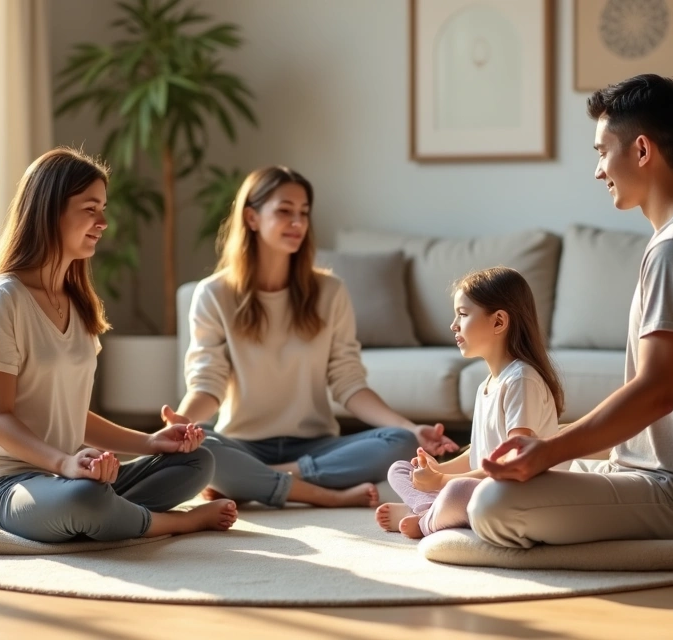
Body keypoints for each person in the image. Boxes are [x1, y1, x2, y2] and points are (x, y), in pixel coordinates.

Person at [467, 74, 673, 547]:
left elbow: (655, 393)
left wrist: (547, 453)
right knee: (487, 479)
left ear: (642, 151)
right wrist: (545, 450)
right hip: (646, 473)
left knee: (490, 504)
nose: (598, 171)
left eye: (603, 151)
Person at [0, 147, 237, 543]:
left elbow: (73, 414)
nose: (103, 222)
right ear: (51, 210)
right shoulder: (4, 299)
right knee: (83, 501)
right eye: (90, 209)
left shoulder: (78, 302)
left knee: (198, 460)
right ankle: (174, 523)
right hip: (5, 483)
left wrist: (150, 441)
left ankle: (110, 513)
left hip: (68, 474)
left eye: (103, 208)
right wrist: (64, 463)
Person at [168, 165, 459, 509]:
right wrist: (180, 427)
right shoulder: (213, 293)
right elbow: (207, 383)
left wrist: (411, 429)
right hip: (243, 441)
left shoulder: (330, 291)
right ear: (251, 217)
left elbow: (348, 382)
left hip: (316, 444)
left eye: (304, 213)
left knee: (401, 443)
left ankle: (257, 479)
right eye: (285, 211)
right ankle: (318, 493)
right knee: (205, 448)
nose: (298, 223)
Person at [375, 267, 565, 539]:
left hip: (517, 495)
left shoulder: (522, 380)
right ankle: (429, 509)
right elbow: (479, 454)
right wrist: (436, 470)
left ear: (499, 322)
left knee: (457, 491)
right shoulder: (487, 385)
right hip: (485, 486)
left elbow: (515, 464)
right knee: (400, 469)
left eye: (462, 315)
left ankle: (428, 520)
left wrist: (441, 482)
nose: (453, 325)